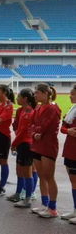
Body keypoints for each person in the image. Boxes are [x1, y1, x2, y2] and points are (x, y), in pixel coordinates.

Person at [30, 84, 61, 218]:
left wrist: (37, 132)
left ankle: (53, 209)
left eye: (37, 93)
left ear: (45, 93)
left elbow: (46, 125)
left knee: (49, 177)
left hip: (48, 146)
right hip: (37, 144)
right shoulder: (38, 107)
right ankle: (45, 204)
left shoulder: (53, 108)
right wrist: (33, 133)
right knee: (42, 176)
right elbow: (31, 125)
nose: (35, 96)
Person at [9, 89, 36, 206]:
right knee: (21, 171)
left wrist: (13, 143)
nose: (17, 98)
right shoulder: (23, 111)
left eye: (19, 96)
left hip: (26, 145)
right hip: (22, 144)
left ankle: (28, 199)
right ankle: (20, 194)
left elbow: (23, 132)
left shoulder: (29, 112)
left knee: (27, 173)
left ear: (25, 99)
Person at [61, 85, 76, 223]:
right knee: (73, 181)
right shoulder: (73, 109)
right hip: (70, 150)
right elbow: (63, 127)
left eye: (72, 94)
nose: (70, 96)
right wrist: (68, 131)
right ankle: (75, 210)